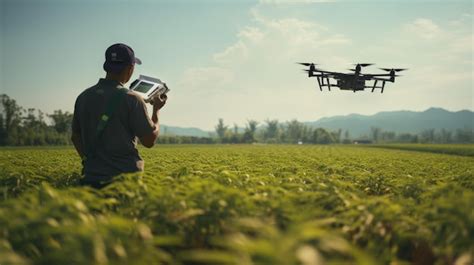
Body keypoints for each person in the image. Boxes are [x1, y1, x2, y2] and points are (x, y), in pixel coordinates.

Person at [71, 43, 167, 188]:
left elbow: (75, 136)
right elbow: (149, 141)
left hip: (90, 179)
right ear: (130, 68)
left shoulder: (83, 97)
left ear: (107, 66)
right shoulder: (132, 99)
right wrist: (156, 110)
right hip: (125, 181)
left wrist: (88, 160)